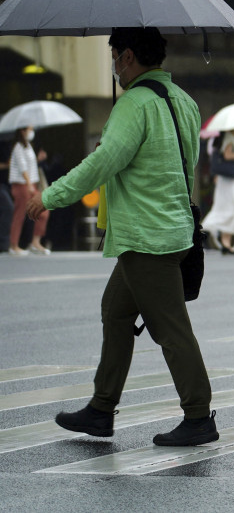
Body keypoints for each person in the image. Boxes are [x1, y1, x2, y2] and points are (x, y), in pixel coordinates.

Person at [28, 27, 218, 446]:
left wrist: (52, 196)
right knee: (115, 311)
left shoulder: (134, 103)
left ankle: (199, 415)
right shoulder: (183, 101)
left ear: (128, 56)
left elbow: (104, 162)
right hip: (171, 230)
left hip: (147, 237)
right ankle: (100, 408)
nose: (113, 65)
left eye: (115, 55)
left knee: (171, 329)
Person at [201, 129, 234, 254]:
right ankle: (203, 229)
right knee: (232, 209)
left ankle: (226, 243)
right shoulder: (230, 137)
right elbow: (227, 155)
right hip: (228, 181)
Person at [8, 126, 49, 255]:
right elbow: (22, 168)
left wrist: (39, 159)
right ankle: (14, 246)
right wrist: (29, 184)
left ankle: (35, 242)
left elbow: (29, 165)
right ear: (22, 131)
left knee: (43, 211)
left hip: (30, 185)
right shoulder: (18, 147)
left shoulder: (28, 146)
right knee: (19, 215)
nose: (32, 132)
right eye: (30, 129)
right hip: (22, 185)